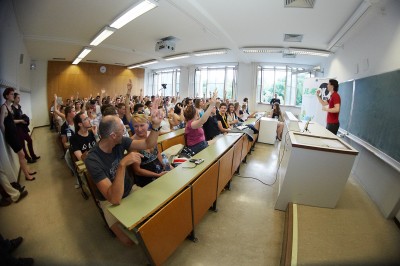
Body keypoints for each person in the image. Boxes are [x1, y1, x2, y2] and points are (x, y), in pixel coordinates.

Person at [84, 98, 163, 246]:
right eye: (122, 131)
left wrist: (156, 126)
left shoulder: (121, 141)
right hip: (110, 202)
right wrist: (122, 165)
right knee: (129, 241)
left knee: (153, 219)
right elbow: (114, 199)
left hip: (130, 189)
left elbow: (148, 143)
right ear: (113, 135)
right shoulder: (93, 160)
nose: (126, 132)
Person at [0, 88, 36, 181]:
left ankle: (27, 171)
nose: (13, 95)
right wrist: (6, 135)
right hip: (11, 135)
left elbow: (11, 121)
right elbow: (1, 123)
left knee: (22, 154)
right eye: (11, 94)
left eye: (13, 94)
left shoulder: (9, 107)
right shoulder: (4, 107)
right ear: (7, 96)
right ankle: (27, 176)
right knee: (22, 154)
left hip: (14, 133)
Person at [130, 114, 170, 187]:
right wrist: (157, 175)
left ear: (148, 124)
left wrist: (166, 166)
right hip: (146, 178)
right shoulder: (132, 143)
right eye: (136, 126)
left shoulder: (151, 135)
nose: (139, 129)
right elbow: (137, 171)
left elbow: (157, 153)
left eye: (142, 125)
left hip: (159, 170)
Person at [70, 112, 99, 188]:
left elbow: (102, 147)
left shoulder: (92, 132)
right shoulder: (74, 138)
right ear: (80, 124)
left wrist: (96, 134)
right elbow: (81, 158)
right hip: (88, 165)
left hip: (97, 160)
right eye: (86, 119)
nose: (89, 120)